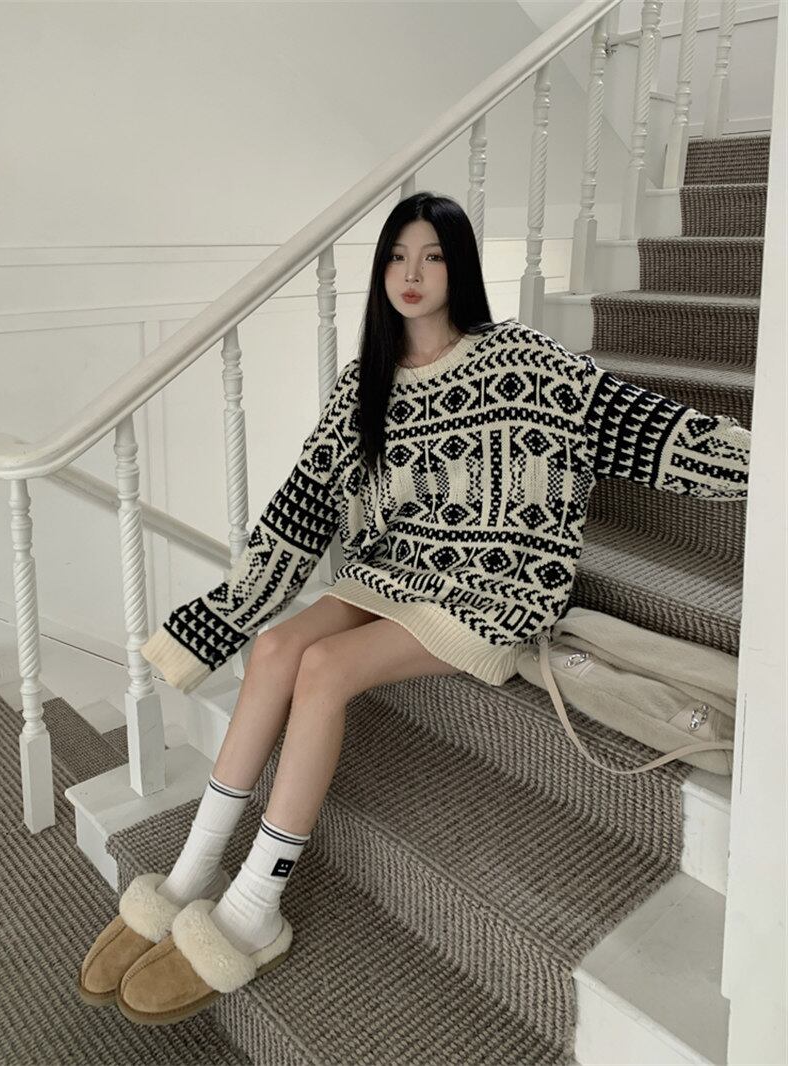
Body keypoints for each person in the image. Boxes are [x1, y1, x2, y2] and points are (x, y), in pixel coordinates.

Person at [80, 192, 750, 1024]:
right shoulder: (365, 383)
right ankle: (191, 872)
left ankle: (255, 907)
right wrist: (223, 617)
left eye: (432, 255)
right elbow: (300, 509)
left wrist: (759, 460)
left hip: (493, 584)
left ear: (458, 266)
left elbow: (651, 431)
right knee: (280, 648)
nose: (412, 272)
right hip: (394, 573)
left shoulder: (523, 360)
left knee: (325, 669)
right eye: (397, 255)